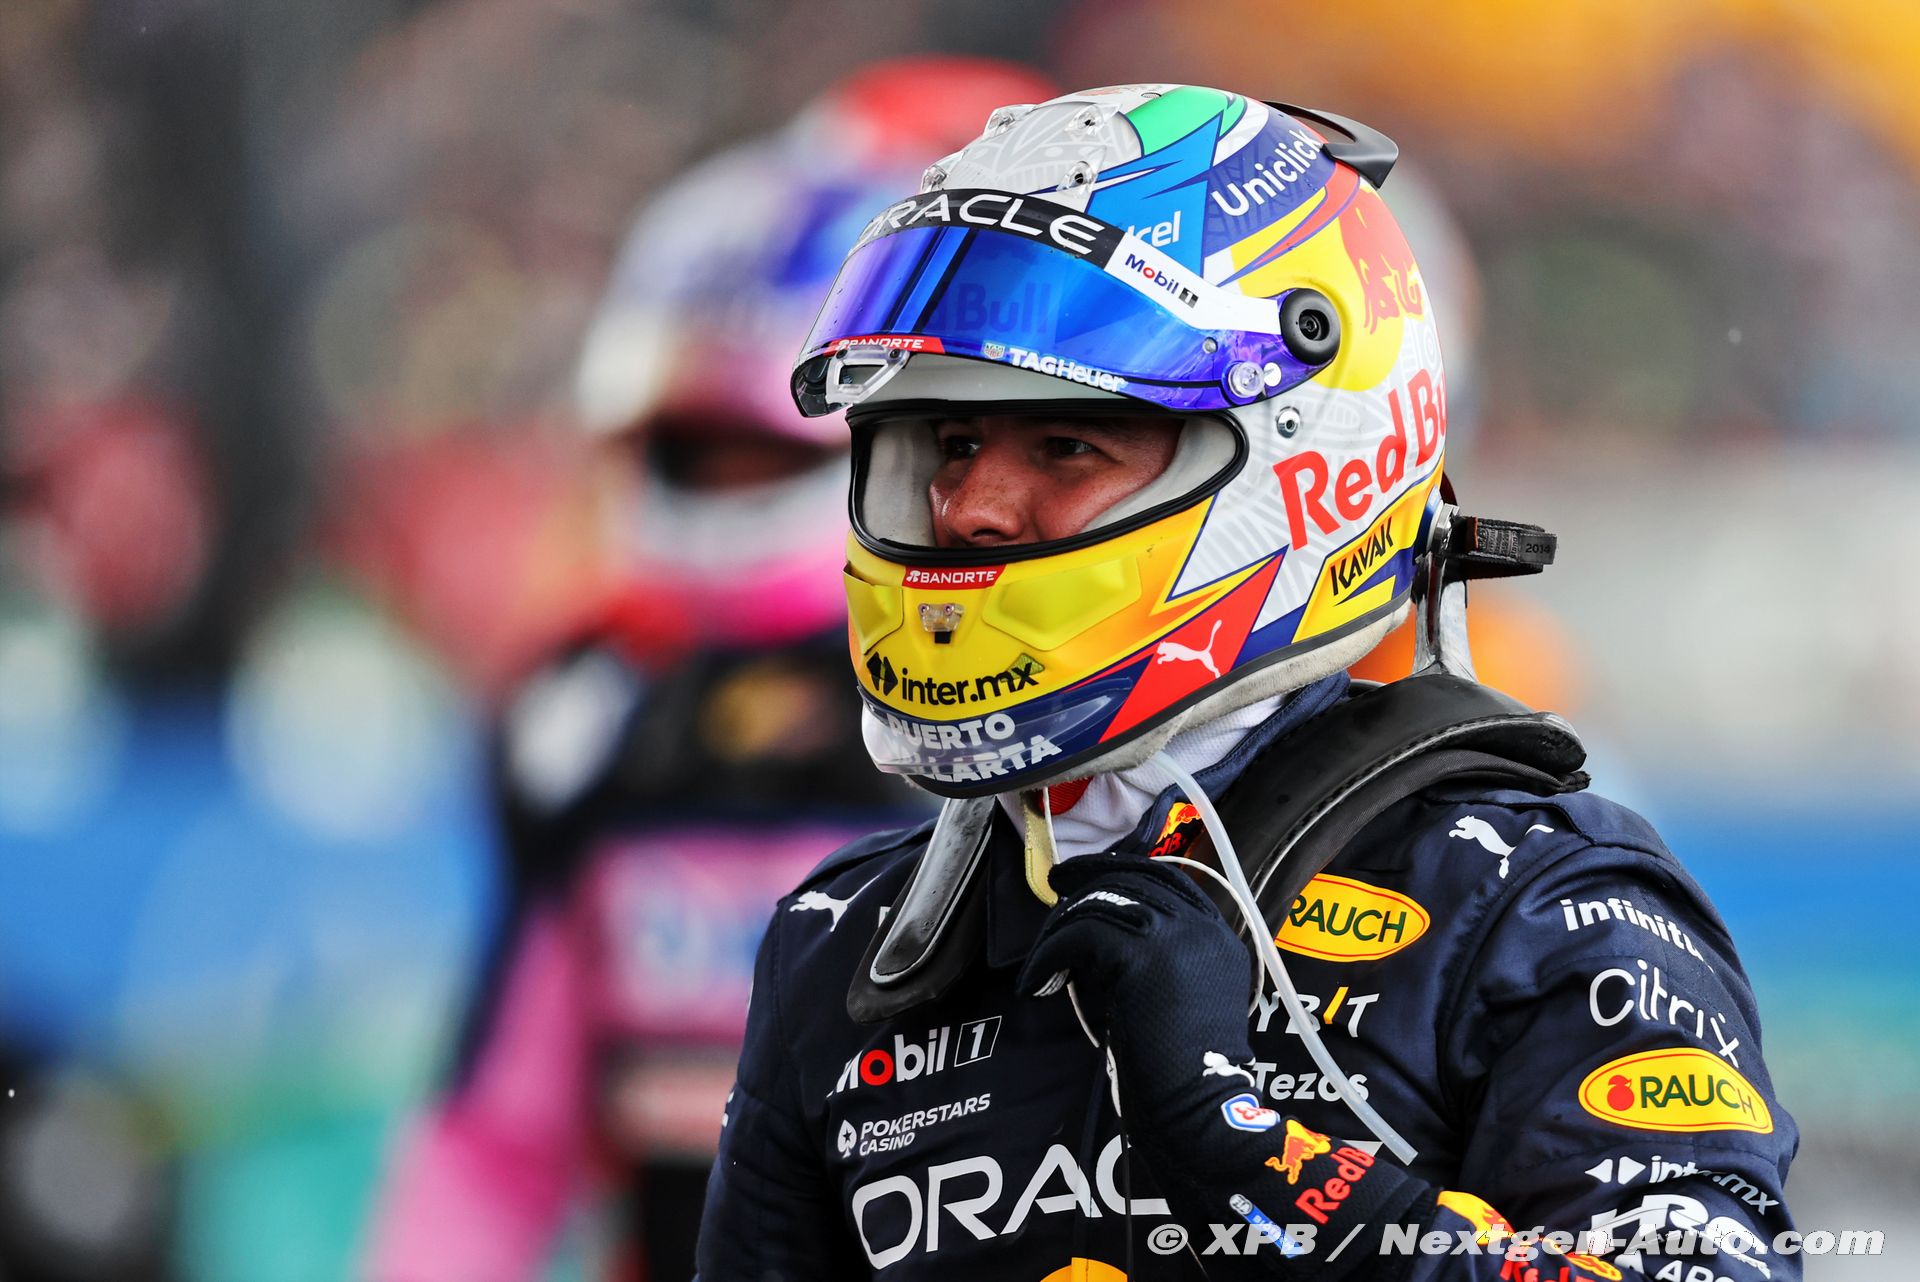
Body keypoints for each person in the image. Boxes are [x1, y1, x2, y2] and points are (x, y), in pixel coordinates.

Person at [697, 84, 1799, 1280]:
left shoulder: (1527, 904)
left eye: (1067, 444)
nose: (971, 508)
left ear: (1298, 465)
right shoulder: (845, 943)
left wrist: (1244, 1145)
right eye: (950, 444)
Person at [365, 57, 1054, 1282]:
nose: (726, 484)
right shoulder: (583, 717)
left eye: (759, 448)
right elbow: (498, 1142)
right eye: (696, 446)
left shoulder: (1050, 693)